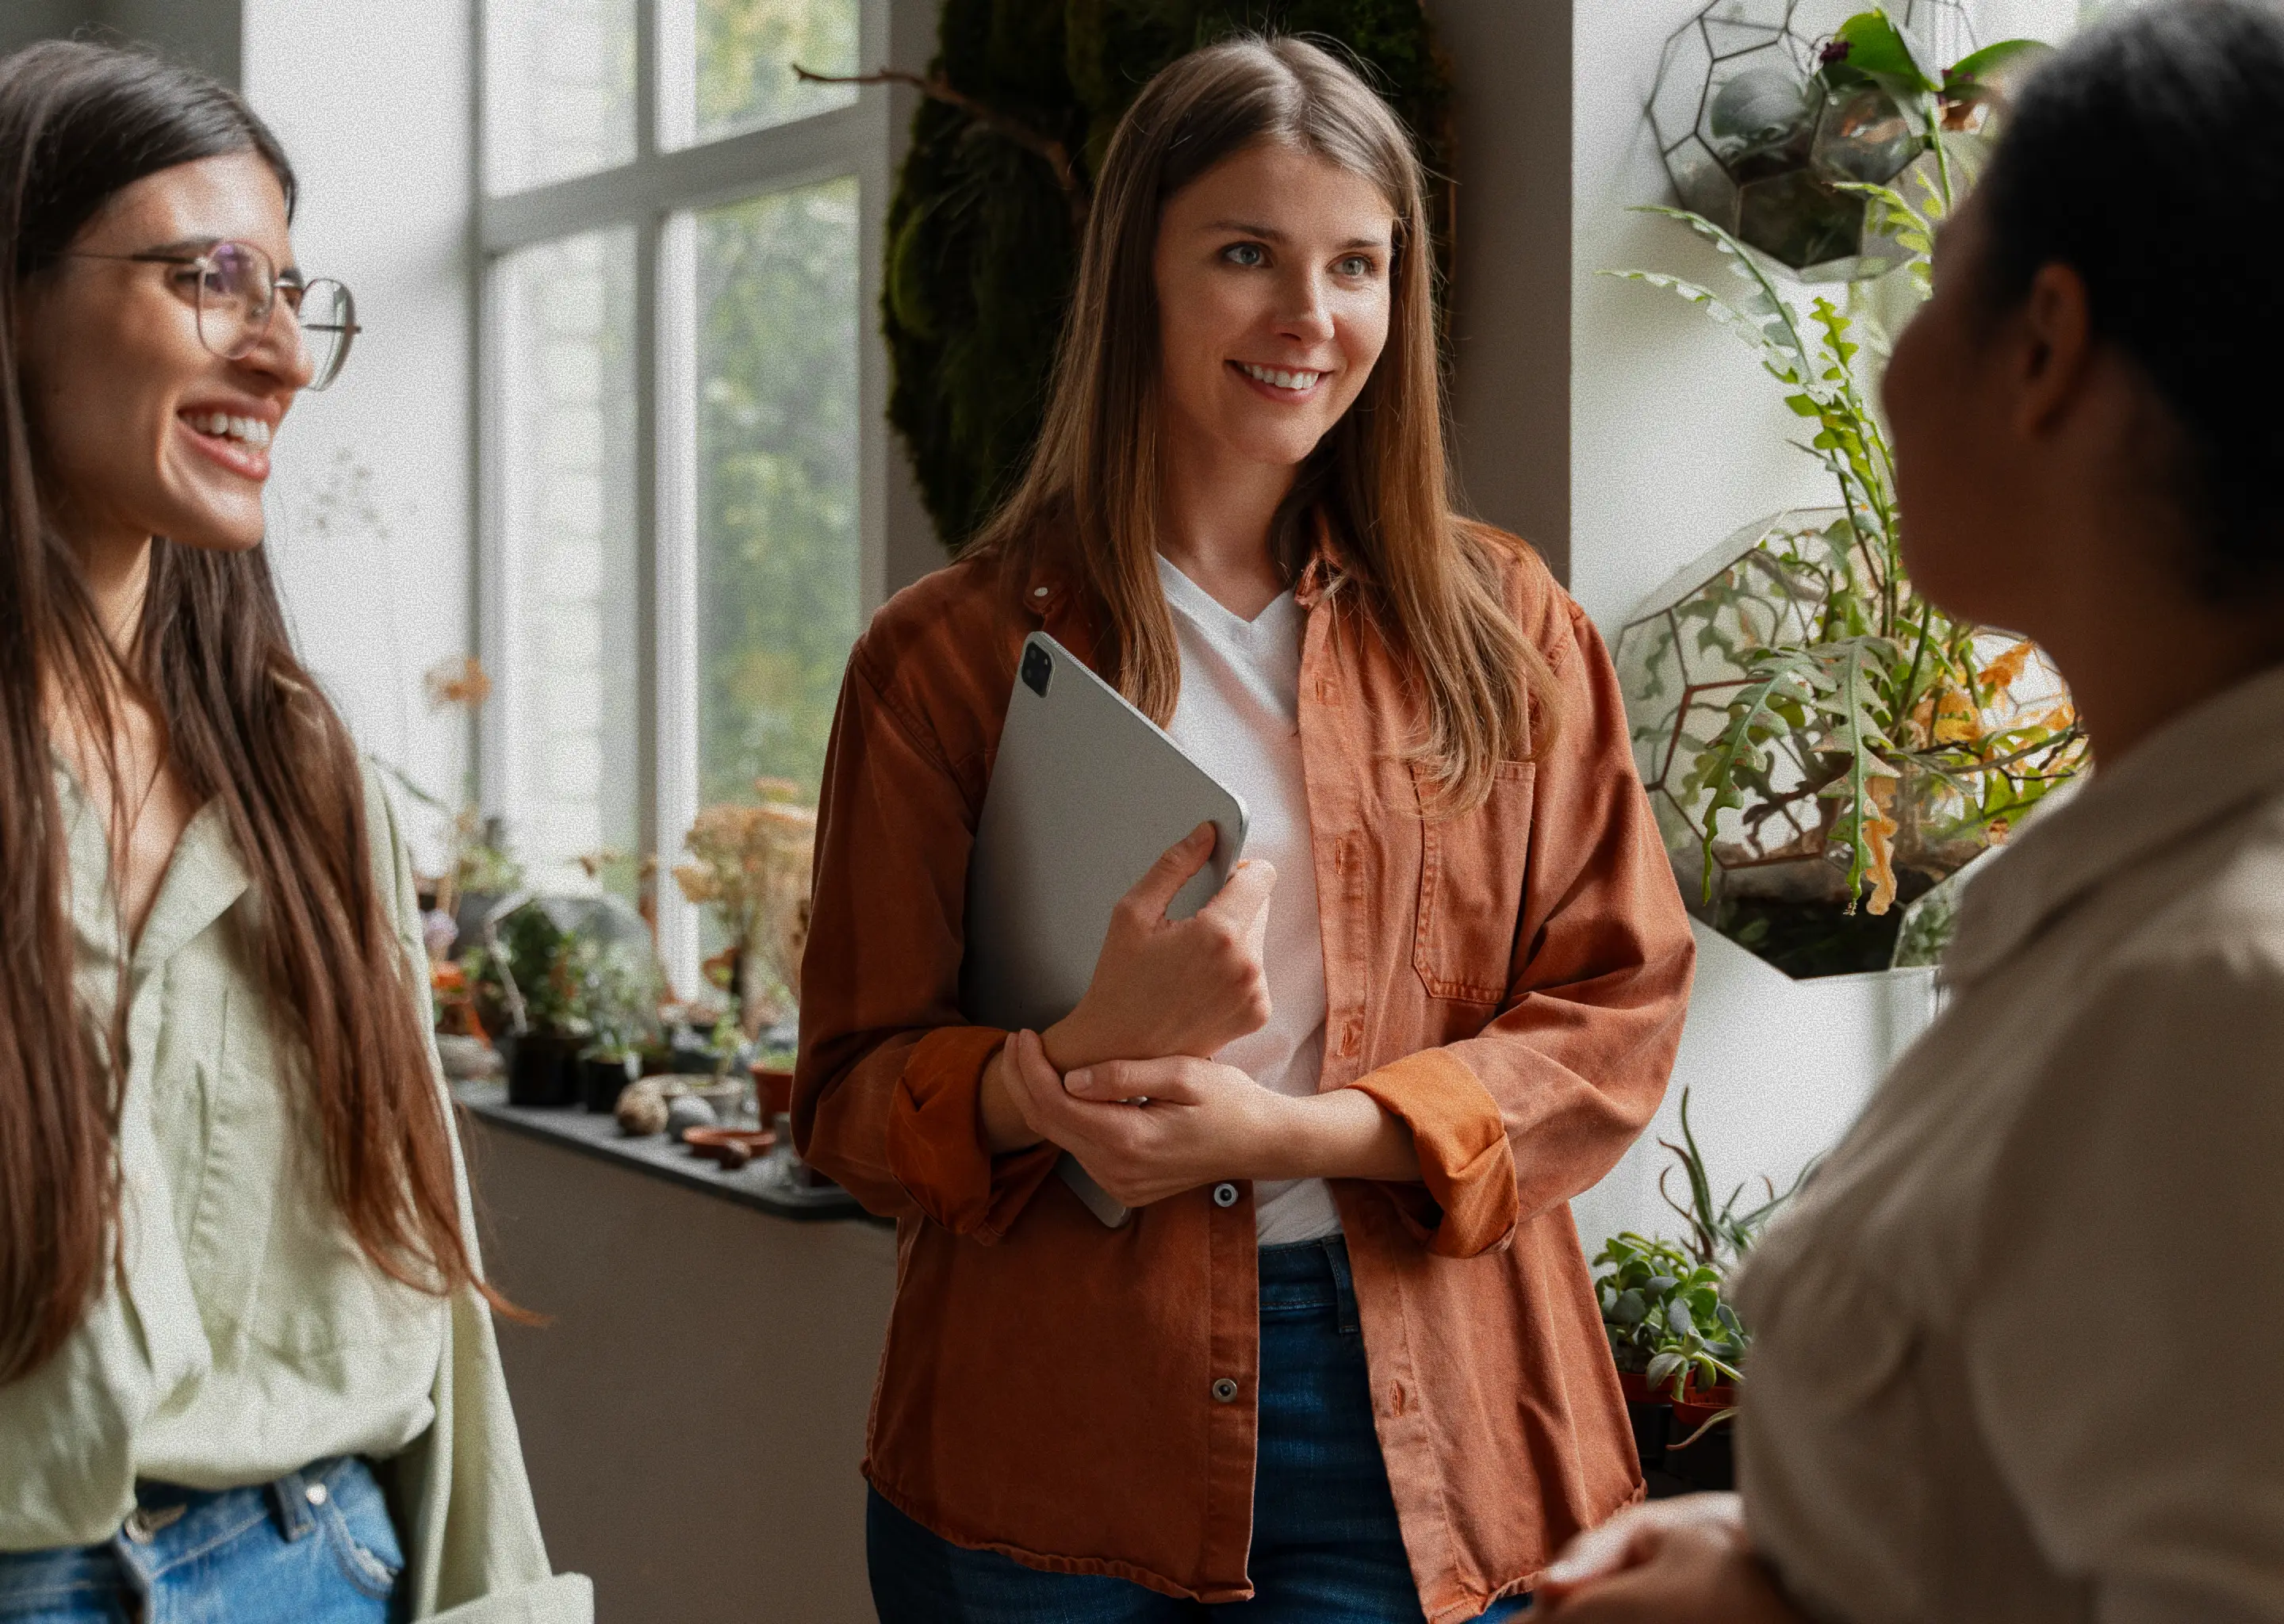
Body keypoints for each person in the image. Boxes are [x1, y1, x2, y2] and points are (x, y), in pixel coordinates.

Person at [794, 35, 1696, 1623]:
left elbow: (1614, 1020)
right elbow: (851, 1103)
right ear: (1137, 275)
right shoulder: (944, 659)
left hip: (1422, 1414)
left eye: (1358, 264)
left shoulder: (1509, 628)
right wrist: (1047, 1072)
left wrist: (1298, 1134)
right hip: (1042, 1441)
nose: (1311, 317)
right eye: (1244, 255)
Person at [1532, 2, 2284, 1620]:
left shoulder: (2218, 995)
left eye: (1933, 283)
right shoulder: (2126, 909)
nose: (1887, 362)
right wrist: (1787, 1559)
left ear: (2045, 345)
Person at [0, 41, 588, 1624]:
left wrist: (497, 1606)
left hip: (320, 1567)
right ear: (17, 298)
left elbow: (419, 1260)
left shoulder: (293, 761)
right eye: (211, 280)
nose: (281, 355)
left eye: (292, 294)